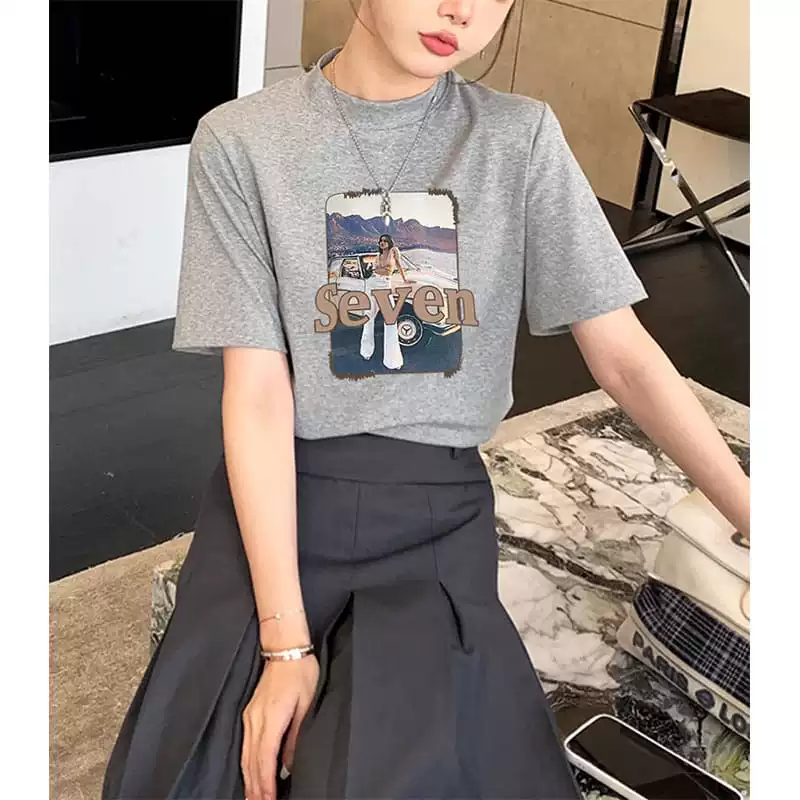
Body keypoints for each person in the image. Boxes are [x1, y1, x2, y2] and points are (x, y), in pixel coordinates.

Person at [102, 2, 751, 799]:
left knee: (390, 769)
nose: (463, 11)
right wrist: (285, 648)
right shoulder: (243, 140)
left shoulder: (517, 138)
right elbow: (259, 393)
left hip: (435, 517)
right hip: (282, 501)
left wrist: (755, 516)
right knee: (206, 769)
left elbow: (626, 358)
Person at [360, 234, 407, 368]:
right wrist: (379, 269)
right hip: (372, 284)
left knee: (390, 322)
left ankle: (393, 361)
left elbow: (399, 266)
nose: (382, 243)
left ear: (390, 242)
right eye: (381, 241)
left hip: (385, 285)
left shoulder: (394, 251)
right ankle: (366, 352)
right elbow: (375, 270)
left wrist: (405, 280)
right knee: (368, 318)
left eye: (385, 241)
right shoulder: (378, 256)